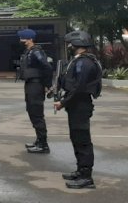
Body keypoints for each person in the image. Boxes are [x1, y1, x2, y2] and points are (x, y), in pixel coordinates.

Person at [54, 31, 102, 189]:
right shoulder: (79, 60)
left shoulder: (84, 63)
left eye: (70, 43)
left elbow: (79, 88)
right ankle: (81, 171)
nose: (68, 46)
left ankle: (87, 178)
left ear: (77, 44)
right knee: (76, 138)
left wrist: (63, 102)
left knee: (82, 141)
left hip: (80, 104)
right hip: (76, 104)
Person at [17, 29, 53, 153]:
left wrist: (48, 84)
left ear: (30, 39)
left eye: (23, 39)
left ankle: (43, 144)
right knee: (32, 111)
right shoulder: (29, 52)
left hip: (36, 86)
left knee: (37, 113)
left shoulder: (36, 52)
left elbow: (47, 66)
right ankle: (39, 140)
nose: (21, 41)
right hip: (30, 84)